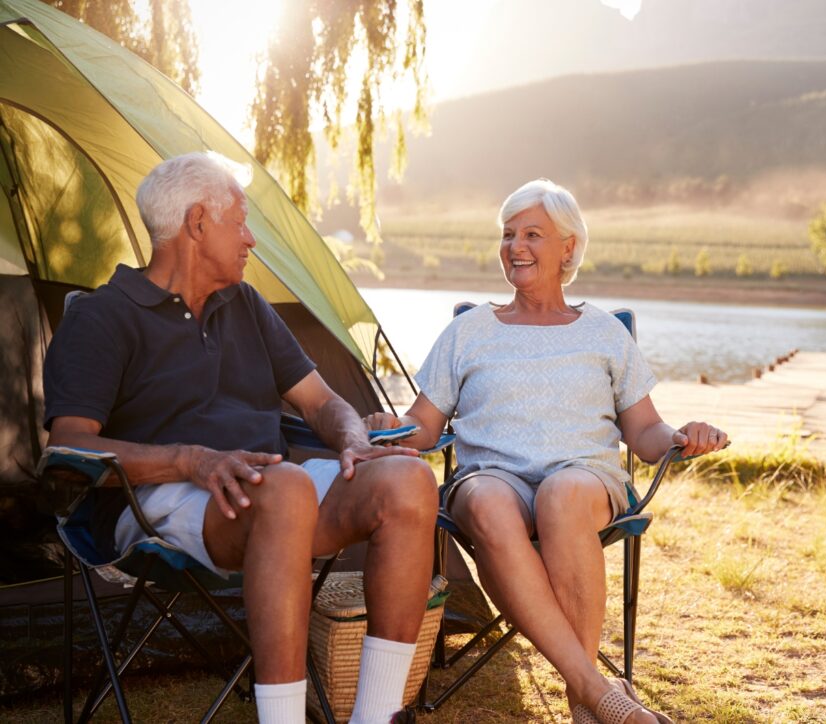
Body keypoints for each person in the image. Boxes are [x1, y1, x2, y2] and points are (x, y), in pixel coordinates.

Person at [43, 152, 438, 724]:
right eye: (240, 220)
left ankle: (376, 717)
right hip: (158, 500)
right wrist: (191, 460)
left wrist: (353, 436)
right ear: (198, 223)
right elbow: (67, 447)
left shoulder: (245, 304)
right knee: (284, 487)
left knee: (408, 479)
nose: (251, 238)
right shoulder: (104, 317)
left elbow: (322, 401)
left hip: (274, 489)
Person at [364, 178, 730, 724]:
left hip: (584, 479)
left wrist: (681, 437)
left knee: (561, 495)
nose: (515, 246)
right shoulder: (470, 331)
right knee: (486, 501)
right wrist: (393, 427)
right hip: (491, 478)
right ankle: (596, 694)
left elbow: (646, 433)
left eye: (532, 233)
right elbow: (424, 425)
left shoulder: (605, 332)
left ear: (569, 248)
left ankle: (585, 701)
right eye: (508, 234)